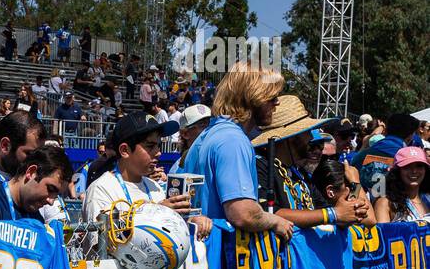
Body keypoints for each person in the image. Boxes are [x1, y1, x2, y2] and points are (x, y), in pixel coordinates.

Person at [182, 65, 294, 240]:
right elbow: (243, 214)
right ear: (252, 97)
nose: (276, 103)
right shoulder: (233, 140)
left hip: (204, 257)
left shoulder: (206, 136)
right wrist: (275, 221)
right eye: (271, 97)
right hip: (222, 259)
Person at [81, 113, 207, 234]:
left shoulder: (155, 187)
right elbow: (101, 243)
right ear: (125, 150)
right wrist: (158, 212)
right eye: (150, 146)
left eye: (159, 146)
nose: (158, 153)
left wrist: (191, 221)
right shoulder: (101, 190)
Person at [252, 96, 365, 229]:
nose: (311, 137)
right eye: (306, 132)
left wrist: (353, 200)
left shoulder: (300, 174)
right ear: (290, 137)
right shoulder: (260, 164)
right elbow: (268, 213)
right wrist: (333, 214)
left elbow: (327, 209)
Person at [0, 146, 73, 225]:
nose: (51, 201)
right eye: (50, 189)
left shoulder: (36, 219)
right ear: (31, 173)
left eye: (57, 195)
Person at [373, 146, 430, 223]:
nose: (414, 171)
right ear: (397, 171)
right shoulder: (385, 203)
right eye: (407, 166)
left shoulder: (428, 197)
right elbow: (382, 233)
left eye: (419, 166)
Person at [175, 103, 211, 168]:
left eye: (210, 123)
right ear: (185, 134)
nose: (210, 129)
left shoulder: (216, 159)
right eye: (202, 124)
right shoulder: (177, 169)